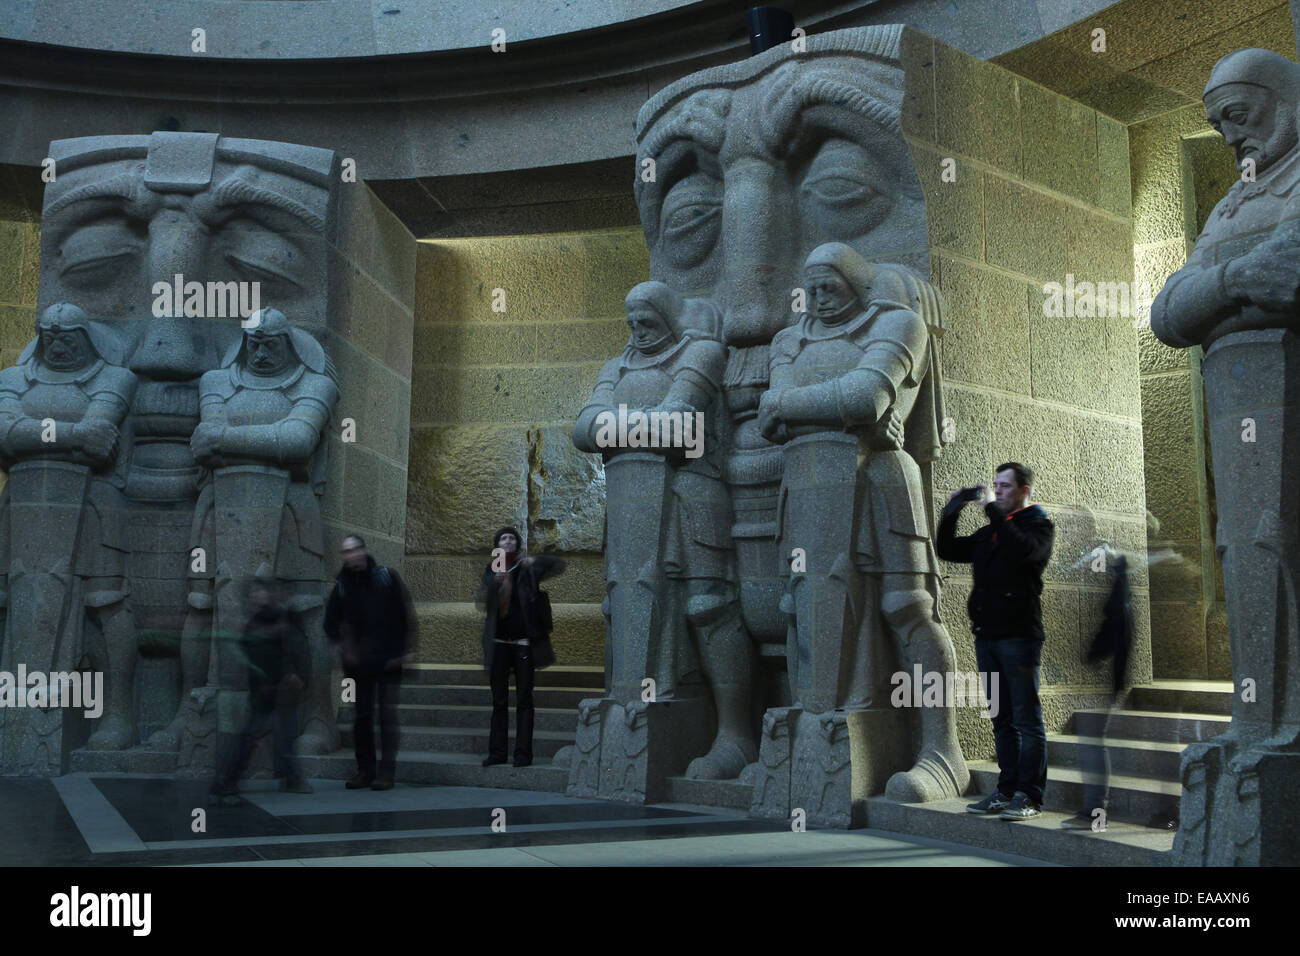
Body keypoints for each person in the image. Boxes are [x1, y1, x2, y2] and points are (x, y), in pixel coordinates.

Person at [936, 462, 1054, 820]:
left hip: (1019, 639)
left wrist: (990, 509)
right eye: (995, 486)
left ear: (1024, 491)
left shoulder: (1038, 526)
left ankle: (1030, 796)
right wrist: (952, 509)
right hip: (987, 639)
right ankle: (1005, 791)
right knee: (1001, 719)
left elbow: (1023, 552)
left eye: (1005, 486)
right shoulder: (990, 533)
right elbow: (948, 549)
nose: (997, 491)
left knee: (1027, 720)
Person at [323, 535, 418, 790]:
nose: (350, 555)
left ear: (363, 551)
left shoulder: (386, 577)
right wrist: (344, 646)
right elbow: (329, 623)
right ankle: (365, 770)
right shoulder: (341, 586)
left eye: (354, 550)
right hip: (357, 667)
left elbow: (404, 615)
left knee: (386, 716)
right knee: (361, 717)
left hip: (388, 661)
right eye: (345, 551)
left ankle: (387, 772)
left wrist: (406, 651)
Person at [210, 579, 312, 805]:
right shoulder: (265, 620)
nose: (259, 595)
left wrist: (296, 675)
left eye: (262, 591)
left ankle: (289, 777)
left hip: (278, 688)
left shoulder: (278, 617)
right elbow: (269, 652)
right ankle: (226, 782)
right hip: (268, 689)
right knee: (252, 736)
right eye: (255, 592)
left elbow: (290, 650)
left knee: (282, 734)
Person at [476, 527, 566, 768]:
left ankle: (523, 754)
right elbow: (482, 602)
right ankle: (497, 753)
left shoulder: (527, 569)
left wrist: (536, 560)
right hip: (499, 644)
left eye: (511, 538)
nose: (507, 541)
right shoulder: (492, 569)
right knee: (499, 700)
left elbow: (559, 564)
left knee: (525, 699)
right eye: (503, 538)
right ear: (497, 544)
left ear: (517, 543)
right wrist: (494, 584)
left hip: (523, 644)